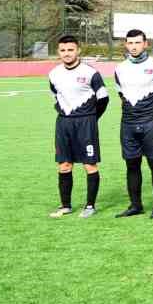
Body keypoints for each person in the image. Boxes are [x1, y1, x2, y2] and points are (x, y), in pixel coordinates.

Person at [47, 34, 108, 218]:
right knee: (64, 165)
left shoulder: (90, 73)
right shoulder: (54, 74)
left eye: (70, 49)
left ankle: (90, 206)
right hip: (64, 123)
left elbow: (103, 98)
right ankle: (65, 205)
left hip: (86, 122)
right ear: (59, 52)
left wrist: (91, 118)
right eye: (63, 50)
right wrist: (64, 112)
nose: (67, 53)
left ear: (78, 50)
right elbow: (54, 96)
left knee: (90, 164)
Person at [112, 28, 153, 218]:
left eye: (138, 42)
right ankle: (135, 205)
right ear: (126, 44)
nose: (134, 46)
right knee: (132, 164)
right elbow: (121, 93)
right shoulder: (120, 69)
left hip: (151, 122)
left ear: (146, 44)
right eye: (130, 43)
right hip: (128, 123)